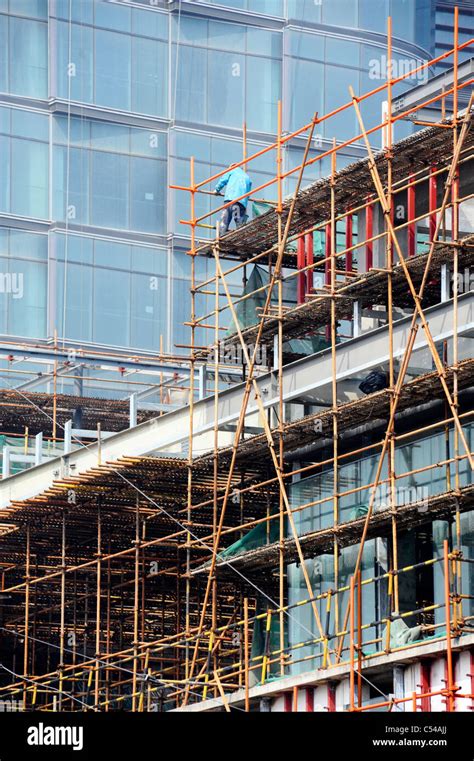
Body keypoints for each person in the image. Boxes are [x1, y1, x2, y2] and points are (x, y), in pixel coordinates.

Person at [214, 164, 252, 235]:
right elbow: (248, 193)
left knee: (225, 220)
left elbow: (223, 180)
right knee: (239, 221)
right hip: (241, 203)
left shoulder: (232, 170)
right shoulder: (247, 178)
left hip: (230, 200)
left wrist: (217, 189)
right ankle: (240, 236)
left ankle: (221, 236)